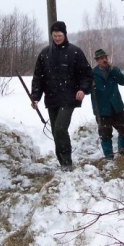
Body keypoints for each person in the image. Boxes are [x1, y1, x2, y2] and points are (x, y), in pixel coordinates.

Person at [31, 21, 93, 171]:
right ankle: (62, 162)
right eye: (54, 35)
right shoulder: (45, 54)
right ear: (51, 35)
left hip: (69, 98)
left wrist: (83, 89)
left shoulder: (75, 52)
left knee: (60, 129)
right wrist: (35, 96)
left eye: (60, 35)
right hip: (52, 98)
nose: (57, 38)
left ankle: (67, 163)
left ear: (65, 34)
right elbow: (38, 77)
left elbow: (87, 74)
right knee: (55, 131)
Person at [91, 49, 124, 160]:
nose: (104, 60)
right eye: (101, 58)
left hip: (116, 106)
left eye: (105, 57)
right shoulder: (92, 74)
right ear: (97, 60)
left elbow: (123, 81)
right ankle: (109, 157)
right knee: (105, 134)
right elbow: (85, 90)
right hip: (102, 109)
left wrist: (113, 71)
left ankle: (123, 151)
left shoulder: (114, 70)